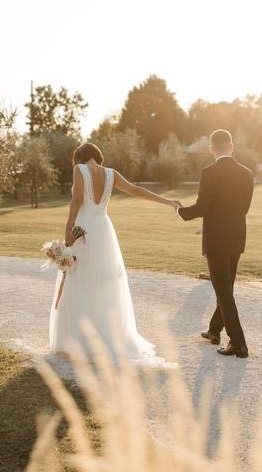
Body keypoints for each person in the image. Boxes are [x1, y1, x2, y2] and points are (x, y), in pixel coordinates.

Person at [49, 142, 178, 366]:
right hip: (104, 229)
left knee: (80, 279)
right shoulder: (111, 173)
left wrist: (69, 227)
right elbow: (136, 190)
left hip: (84, 228)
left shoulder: (79, 169)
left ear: (80, 158)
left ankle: (80, 340)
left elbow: (77, 199)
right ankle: (106, 336)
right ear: (97, 156)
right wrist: (167, 202)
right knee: (104, 281)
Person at [177, 129, 255, 358]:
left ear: (211, 149)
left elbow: (202, 208)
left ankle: (238, 343)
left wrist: (180, 211)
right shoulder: (247, 173)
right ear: (231, 146)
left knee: (223, 291)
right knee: (226, 287)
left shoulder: (209, 172)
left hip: (217, 240)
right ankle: (214, 331)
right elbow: (245, 208)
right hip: (238, 235)